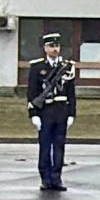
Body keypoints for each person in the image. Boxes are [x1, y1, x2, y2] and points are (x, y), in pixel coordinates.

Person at [27, 33, 77, 191]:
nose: (55, 49)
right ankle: (45, 178)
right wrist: (33, 114)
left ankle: (57, 178)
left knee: (59, 147)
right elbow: (32, 93)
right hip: (45, 112)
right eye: (51, 46)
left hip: (61, 112)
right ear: (45, 48)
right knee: (44, 147)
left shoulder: (67, 67)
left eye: (57, 46)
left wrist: (71, 114)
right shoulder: (37, 67)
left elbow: (71, 93)